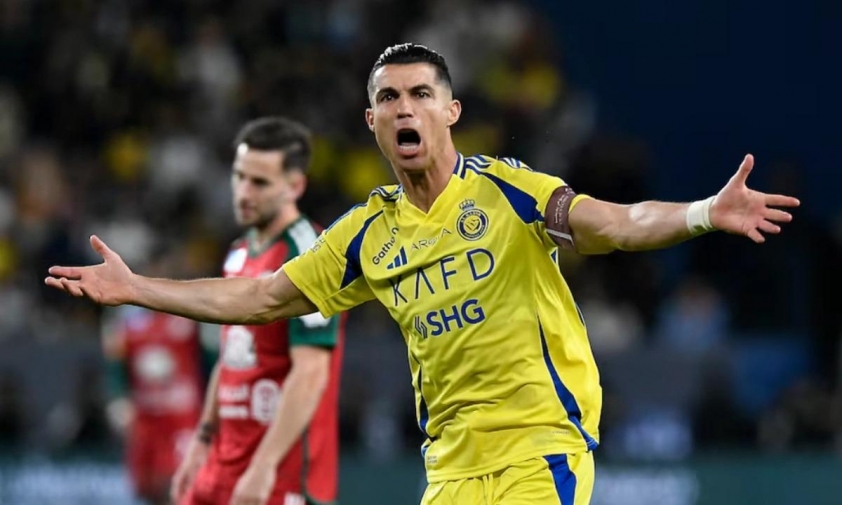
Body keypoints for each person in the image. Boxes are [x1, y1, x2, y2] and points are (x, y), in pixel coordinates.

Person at [46, 44, 800, 505]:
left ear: (451, 111)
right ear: (372, 122)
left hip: (539, 446)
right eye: (388, 97)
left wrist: (703, 211)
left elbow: (614, 222)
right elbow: (263, 296)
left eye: (419, 94)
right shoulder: (367, 234)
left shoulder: (508, 190)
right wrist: (138, 288)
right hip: (449, 469)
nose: (403, 107)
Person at [166, 117, 345, 505]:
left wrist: (264, 467)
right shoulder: (239, 253)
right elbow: (230, 358)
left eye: (260, 183)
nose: (244, 192)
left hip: (279, 476)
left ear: (295, 186)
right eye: (240, 177)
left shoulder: (312, 255)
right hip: (224, 463)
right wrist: (202, 440)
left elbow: (311, 372)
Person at [101, 252, 207, 505]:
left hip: (182, 417)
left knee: (178, 485)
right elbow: (117, 363)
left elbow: (210, 360)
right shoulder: (127, 322)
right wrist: (118, 397)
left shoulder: (191, 316)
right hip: (146, 418)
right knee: (146, 488)